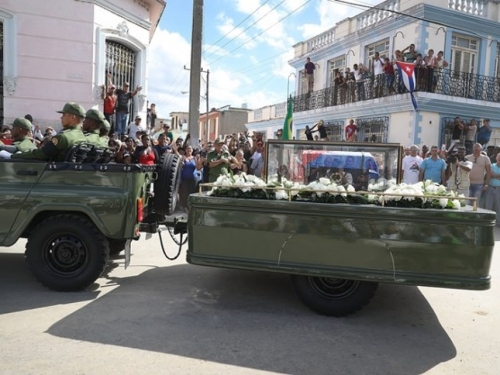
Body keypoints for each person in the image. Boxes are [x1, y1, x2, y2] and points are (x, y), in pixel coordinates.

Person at [12, 102, 87, 162]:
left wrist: (14, 156)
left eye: (64, 115)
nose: (61, 117)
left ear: (72, 117)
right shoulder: (81, 136)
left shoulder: (63, 137)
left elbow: (41, 154)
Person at [179, 145, 198, 212]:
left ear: (192, 150)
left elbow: (198, 167)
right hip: (185, 178)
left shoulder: (195, 158)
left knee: (192, 192)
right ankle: (185, 207)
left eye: (190, 149)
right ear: (185, 150)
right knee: (185, 193)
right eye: (187, 149)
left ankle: (191, 206)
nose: (189, 150)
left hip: (193, 178)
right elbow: (178, 156)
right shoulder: (183, 157)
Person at [484, 153, 500, 224]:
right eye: (499, 158)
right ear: (496, 158)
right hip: (490, 187)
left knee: (498, 206)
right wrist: (497, 176)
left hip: (499, 188)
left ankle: (498, 222)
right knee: (488, 205)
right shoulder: (492, 165)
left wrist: (494, 175)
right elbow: (489, 173)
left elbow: (492, 174)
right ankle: (487, 220)